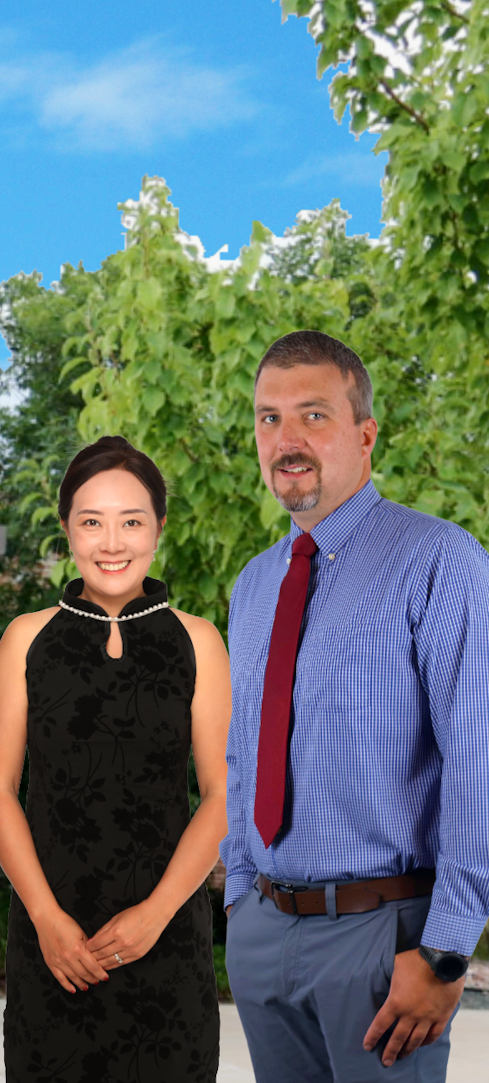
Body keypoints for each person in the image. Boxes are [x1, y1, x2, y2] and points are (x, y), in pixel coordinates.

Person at [221, 330, 487, 1082]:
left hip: (383, 939)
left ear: (365, 434)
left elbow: (479, 762)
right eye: (268, 418)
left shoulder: (440, 561)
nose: (286, 439)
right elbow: (244, 753)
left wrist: (445, 949)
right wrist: (242, 899)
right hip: (265, 935)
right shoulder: (254, 584)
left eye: (313, 415)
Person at [0, 436, 231, 1082]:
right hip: (52, 948)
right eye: (92, 521)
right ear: (67, 528)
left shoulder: (199, 642)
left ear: (159, 527)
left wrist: (156, 914)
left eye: (131, 521)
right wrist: (44, 916)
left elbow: (223, 794)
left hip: (169, 946)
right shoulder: (25, 640)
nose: (111, 542)